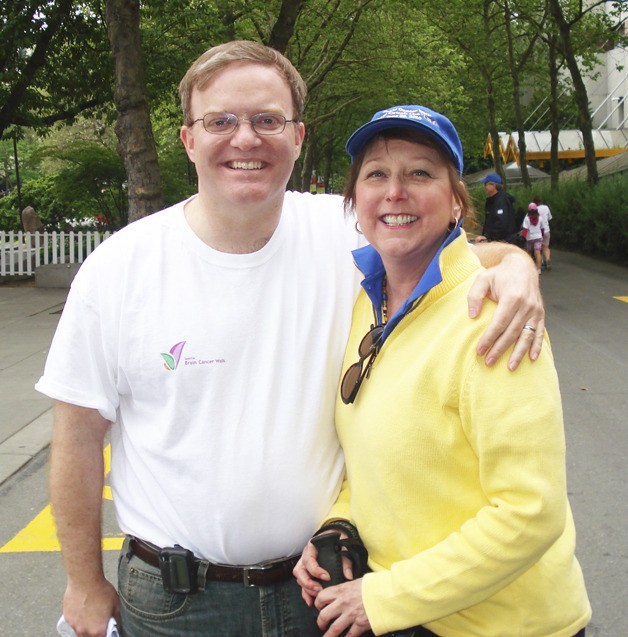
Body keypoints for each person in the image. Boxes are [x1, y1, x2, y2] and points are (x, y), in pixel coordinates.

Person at [36, 42, 544, 637]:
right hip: (177, 604)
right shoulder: (119, 267)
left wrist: (515, 266)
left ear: (298, 137)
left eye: (267, 120)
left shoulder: (344, 233)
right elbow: (75, 436)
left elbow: (450, 248)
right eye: (220, 121)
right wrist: (83, 581)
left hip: (328, 588)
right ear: (188, 140)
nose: (245, 138)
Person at [294, 105, 591, 637]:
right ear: (355, 200)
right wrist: (339, 523)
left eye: (421, 173)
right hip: (407, 615)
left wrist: (384, 597)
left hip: (502, 627)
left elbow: (530, 512)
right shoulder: (368, 302)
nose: (395, 192)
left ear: (457, 202)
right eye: (377, 174)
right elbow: (378, 462)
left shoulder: (495, 316)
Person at [475, 172, 517, 244]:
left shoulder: (501, 201)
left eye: (486, 184)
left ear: (493, 185)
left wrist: (488, 238)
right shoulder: (494, 200)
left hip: (502, 242)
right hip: (497, 241)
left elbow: (501, 222)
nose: (484, 187)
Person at [522, 202, 549, 274]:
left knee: (529, 252)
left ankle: (530, 268)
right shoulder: (540, 218)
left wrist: (523, 237)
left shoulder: (527, 219)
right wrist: (542, 236)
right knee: (537, 253)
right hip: (538, 238)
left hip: (530, 238)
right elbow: (542, 228)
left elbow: (525, 229)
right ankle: (538, 269)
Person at [533, 194, 553, 269]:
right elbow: (550, 218)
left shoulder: (534, 209)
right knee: (546, 247)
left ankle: (540, 262)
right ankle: (547, 259)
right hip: (547, 230)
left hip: (538, 232)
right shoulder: (546, 207)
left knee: (538, 248)